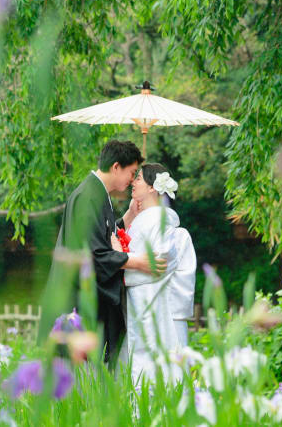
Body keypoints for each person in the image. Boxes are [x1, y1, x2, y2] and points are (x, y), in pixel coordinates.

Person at [41, 140, 167, 366]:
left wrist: (127, 218)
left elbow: (100, 234)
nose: (132, 180)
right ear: (116, 167)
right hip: (76, 303)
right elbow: (93, 254)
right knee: (80, 383)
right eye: (131, 172)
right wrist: (136, 262)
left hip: (80, 298)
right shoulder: (90, 196)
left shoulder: (96, 192)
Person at [117, 162, 196, 386]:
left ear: (153, 187)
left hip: (152, 307)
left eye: (139, 178)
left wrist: (120, 261)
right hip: (140, 307)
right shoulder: (144, 221)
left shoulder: (163, 225)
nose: (133, 181)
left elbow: (157, 266)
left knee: (151, 374)